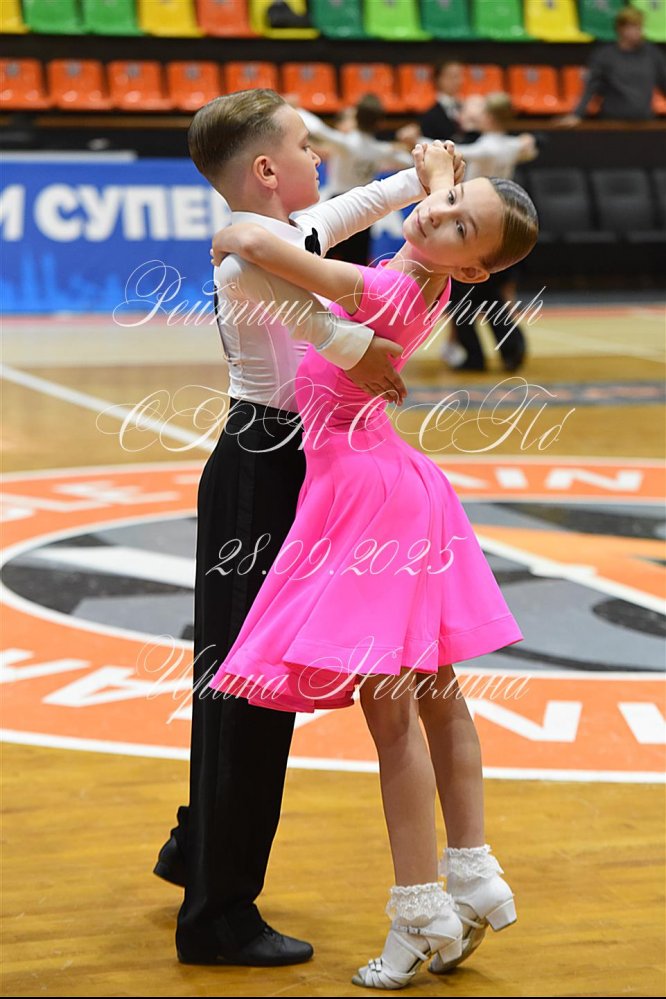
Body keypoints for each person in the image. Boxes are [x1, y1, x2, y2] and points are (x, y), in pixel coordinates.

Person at [207, 141, 539, 987]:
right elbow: (442, 206)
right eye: (451, 202)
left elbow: (256, 245)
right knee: (438, 690)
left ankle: (419, 908)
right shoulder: (430, 271)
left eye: (459, 225)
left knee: (391, 716)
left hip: (364, 494)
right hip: (392, 477)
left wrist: (235, 233)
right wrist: (438, 183)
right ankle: (474, 868)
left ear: (472, 270)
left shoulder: (387, 288)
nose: (440, 214)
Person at [153, 87, 466, 968]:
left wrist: (423, 178)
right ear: (266, 168)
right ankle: (217, 915)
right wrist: (361, 347)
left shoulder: (280, 234)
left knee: (246, 676)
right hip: (262, 466)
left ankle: (195, 846)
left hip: (303, 464)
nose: (319, 154)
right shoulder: (251, 259)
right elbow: (322, 325)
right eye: (303, 144)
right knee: (245, 689)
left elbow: (351, 207)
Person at [437, 92, 539, 372]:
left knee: (460, 296)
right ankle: (511, 348)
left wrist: (416, 144)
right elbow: (531, 147)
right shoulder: (512, 145)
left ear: (491, 118)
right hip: (500, 224)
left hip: (475, 224)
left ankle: (475, 356)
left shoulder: (487, 147)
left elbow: (450, 152)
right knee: (489, 293)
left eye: (482, 113)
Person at [296, 95, 414, 264]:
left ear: (356, 117)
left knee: (322, 261)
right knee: (357, 265)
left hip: (337, 205)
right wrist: (408, 144)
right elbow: (408, 161)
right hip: (364, 209)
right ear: (379, 123)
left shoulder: (347, 143)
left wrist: (295, 108)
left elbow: (317, 128)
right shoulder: (380, 150)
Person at [558, 4, 666, 125]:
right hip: (612, 122)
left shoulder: (653, 54)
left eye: (639, 27)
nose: (638, 32)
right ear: (620, 29)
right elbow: (590, 88)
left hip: (645, 122)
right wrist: (576, 115)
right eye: (633, 27)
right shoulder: (604, 55)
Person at [419, 61, 479, 145]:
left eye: (459, 76)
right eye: (452, 76)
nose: (457, 81)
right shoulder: (428, 114)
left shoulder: (469, 106)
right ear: (438, 79)